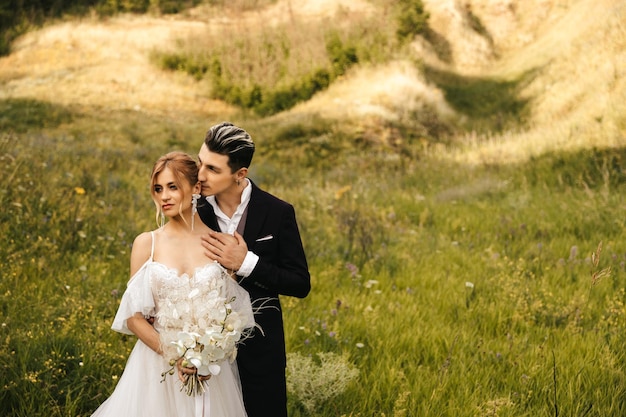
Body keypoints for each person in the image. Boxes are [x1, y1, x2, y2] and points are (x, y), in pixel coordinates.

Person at [91, 151, 255, 417]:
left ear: (196, 188)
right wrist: (174, 356)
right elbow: (134, 317)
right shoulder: (147, 243)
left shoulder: (221, 243)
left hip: (209, 370)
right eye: (158, 188)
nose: (164, 196)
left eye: (173, 187)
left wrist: (207, 353)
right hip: (156, 368)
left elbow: (229, 313)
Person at [194, 122, 311, 417]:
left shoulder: (278, 212)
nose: (200, 175)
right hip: (201, 350)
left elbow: (300, 283)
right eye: (200, 163)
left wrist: (246, 263)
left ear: (240, 174)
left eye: (212, 169)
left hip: (260, 351)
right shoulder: (193, 209)